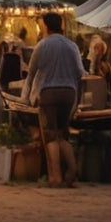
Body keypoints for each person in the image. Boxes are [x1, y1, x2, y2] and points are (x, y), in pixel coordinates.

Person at [22, 12, 84, 187]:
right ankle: (72, 171)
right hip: (69, 93)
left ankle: (55, 177)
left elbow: (31, 74)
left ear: (46, 26)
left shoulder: (42, 45)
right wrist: (77, 100)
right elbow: (81, 73)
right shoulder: (72, 46)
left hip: (48, 93)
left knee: (50, 136)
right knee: (63, 134)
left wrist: (25, 98)